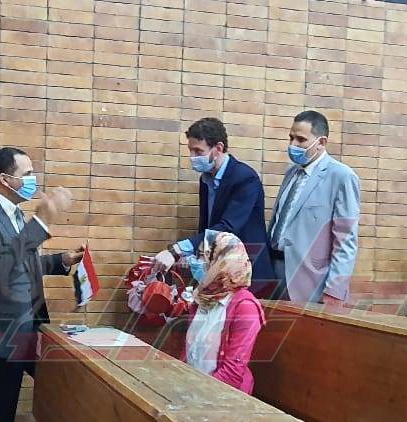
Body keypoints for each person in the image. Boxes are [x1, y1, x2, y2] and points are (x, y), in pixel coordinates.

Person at [0, 147, 84, 422]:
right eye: (27, 174)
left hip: (28, 330)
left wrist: (61, 261)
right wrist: (40, 222)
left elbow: (19, 264)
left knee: (67, 393)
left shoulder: (14, 214)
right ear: (5, 179)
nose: (33, 180)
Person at [151, 118, 276, 297]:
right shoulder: (205, 179)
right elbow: (206, 226)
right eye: (190, 150)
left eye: (198, 151)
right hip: (219, 273)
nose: (192, 157)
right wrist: (196, 255)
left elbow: (228, 227)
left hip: (247, 273)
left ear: (218, 148)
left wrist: (178, 250)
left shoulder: (245, 178)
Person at [267, 110, 360, 304]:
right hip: (273, 271)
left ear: (321, 142)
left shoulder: (341, 177)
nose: (293, 145)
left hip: (311, 283)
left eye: (301, 139)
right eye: (291, 138)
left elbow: (345, 240)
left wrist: (335, 290)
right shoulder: (291, 173)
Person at [183, 231, 266, 394]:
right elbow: (189, 354)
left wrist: (196, 394)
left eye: (205, 257)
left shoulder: (245, 307)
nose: (198, 262)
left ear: (223, 262)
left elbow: (232, 374)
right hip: (193, 388)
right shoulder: (203, 298)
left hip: (222, 396)